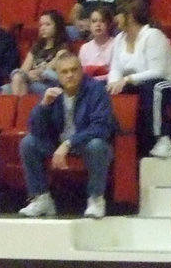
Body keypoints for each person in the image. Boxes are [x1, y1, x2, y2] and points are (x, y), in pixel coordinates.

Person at [18, 51, 115, 220]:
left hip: (86, 144)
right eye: (64, 72)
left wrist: (69, 143)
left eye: (74, 70)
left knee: (97, 145)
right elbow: (36, 129)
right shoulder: (52, 91)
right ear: (58, 75)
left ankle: (96, 199)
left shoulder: (96, 89)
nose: (70, 75)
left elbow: (101, 127)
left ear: (81, 71)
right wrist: (43, 106)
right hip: (58, 145)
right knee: (28, 142)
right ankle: (42, 199)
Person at [107, 0, 171, 159]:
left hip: (168, 84)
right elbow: (115, 68)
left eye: (119, 14)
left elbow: (157, 72)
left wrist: (127, 80)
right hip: (138, 85)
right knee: (101, 88)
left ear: (131, 16)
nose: (115, 18)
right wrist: (113, 84)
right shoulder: (119, 38)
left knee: (154, 87)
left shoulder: (153, 35)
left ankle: (163, 139)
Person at [8, 10, 69, 96]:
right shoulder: (37, 47)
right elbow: (24, 69)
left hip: (48, 83)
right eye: (41, 25)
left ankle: (19, 106)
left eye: (47, 25)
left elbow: (47, 70)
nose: (43, 28)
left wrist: (30, 74)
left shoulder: (62, 49)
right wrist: (27, 75)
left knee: (27, 83)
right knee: (6, 87)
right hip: (30, 80)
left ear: (57, 27)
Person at [78, 4, 116, 81]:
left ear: (109, 25)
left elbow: (117, 73)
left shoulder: (117, 44)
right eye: (94, 21)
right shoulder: (85, 48)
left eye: (102, 21)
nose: (98, 25)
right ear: (90, 25)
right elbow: (81, 73)